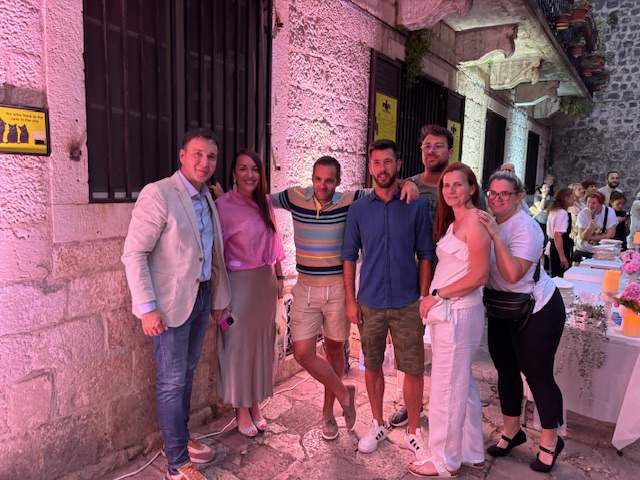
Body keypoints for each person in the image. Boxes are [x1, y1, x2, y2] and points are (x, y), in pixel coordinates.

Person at [269, 156, 418, 440]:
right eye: (317, 179)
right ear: (312, 177)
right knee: (302, 353)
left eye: (329, 180)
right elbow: (261, 201)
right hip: (305, 287)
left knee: (335, 352)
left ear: (338, 181)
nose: (322, 185)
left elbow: (383, 187)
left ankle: (328, 414)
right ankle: (344, 393)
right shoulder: (294, 197)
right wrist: (223, 197)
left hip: (337, 288)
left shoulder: (350, 199)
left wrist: (407, 183)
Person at [122, 128, 231, 480]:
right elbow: (134, 253)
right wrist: (147, 307)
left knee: (186, 375)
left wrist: (216, 298)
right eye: (197, 154)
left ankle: (179, 440)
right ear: (182, 155)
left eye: (211, 156)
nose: (205, 162)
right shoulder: (159, 193)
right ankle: (177, 464)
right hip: (168, 307)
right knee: (171, 382)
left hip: (200, 298)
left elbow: (211, 253)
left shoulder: (207, 197)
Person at [342, 139, 435, 460]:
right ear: (370, 167)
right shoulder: (358, 209)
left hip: (408, 302)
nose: (382, 169)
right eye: (376, 163)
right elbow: (348, 256)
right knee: (372, 365)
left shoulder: (415, 206)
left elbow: (426, 254)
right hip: (369, 301)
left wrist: (423, 296)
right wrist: (350, 300)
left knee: (413, 368)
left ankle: (413, 431)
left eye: (388, 162)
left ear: (399, 165)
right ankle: (378, 424)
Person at [477, 170, 566, 474]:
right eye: (492, 192)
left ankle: (551, 442)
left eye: (504, 193)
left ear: (518, 197)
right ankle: (512, 430)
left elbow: (513, 274)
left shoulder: (526, 228)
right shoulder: (489, 221)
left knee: (538, 375)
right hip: (501, 307)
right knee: (506, 371)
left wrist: (495, 236)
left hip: (537, 309)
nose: (496, 198)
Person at [408, 163, 490, 477]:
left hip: (457, 313)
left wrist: (437, 294)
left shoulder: (475, 222)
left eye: (458, 184)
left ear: (471, 188)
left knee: (446, 389)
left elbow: (480, 275)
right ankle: (471, 451)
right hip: (450, 314)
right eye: (446, 185)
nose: (451, 190)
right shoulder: (457, 221)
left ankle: (445, 460)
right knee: (462, 385)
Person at [215, 149, 286, 437]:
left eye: (255, 169)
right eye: (243, 169)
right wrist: (219, 299)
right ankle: (240, 408)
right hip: (237, 288)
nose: (249, 174)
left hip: (264, 286)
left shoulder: (265, 203)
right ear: (233, 174)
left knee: (260, 347)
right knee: (237, 345)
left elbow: (275, 240)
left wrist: (280, 276)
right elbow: (216, 256)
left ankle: (255, 403)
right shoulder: (222, 206)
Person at [574, 191, 618, 261]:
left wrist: (591, 238)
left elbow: (610, 234)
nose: (590, 205)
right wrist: (589, 229)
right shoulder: (582, 214)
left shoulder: (609, 212)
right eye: (588, 202)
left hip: (602, 251)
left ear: (601, 204)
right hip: (584, 250)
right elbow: (583, 237)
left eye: (594, 203)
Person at [546, 188, 575, 277]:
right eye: (572, 197)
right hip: (559, 247)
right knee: (561, 275)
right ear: (566, 198)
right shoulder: (561, 213)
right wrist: (562, 256)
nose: (574, 199)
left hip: (556, 245)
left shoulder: (554, 210)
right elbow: (557, 235)